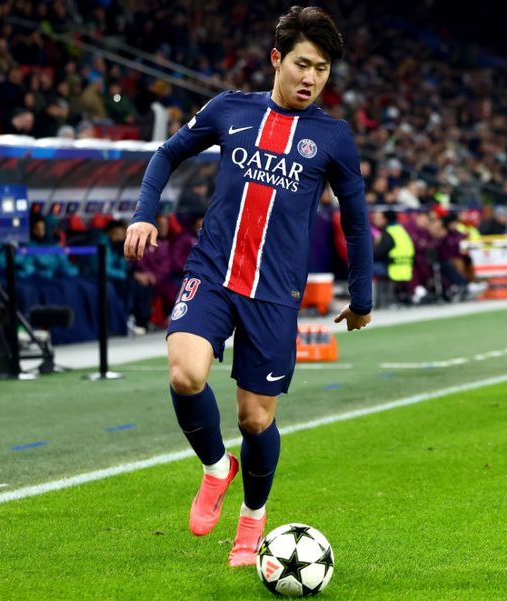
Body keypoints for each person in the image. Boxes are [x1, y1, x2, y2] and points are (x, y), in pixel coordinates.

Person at [124, 6, 372, 567]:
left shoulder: (333, 137)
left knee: (255, 419)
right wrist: (143, 215)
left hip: (275, 294)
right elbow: (167, 153)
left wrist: (362, 298)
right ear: (277, 59)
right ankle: (216, 468)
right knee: (185, 373)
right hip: (212, 272)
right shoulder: (230, 109)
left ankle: (253, 515)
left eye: (323, 70)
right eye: (303, 64)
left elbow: (355, 222)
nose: (311, 78)